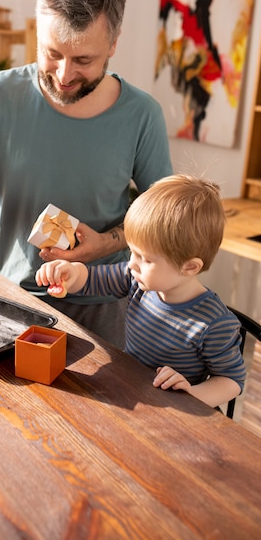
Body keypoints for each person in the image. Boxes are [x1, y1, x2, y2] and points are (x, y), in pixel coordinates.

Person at [0, 0, 173, 348]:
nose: (63, 75)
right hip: (10, 297)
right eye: (52, 53)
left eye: (83, 60)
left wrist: (106, 243)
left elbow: (162, 215)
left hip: (104, 303)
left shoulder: (142, 114)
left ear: (113, 43)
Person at [36, 175, 246, 408]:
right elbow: (92, 280)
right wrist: (71, 273)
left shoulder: (214, 323)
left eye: (145, 259)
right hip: (132, 391)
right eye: (132, 252)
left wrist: (190, 394)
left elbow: (231, 380)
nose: (132, 264)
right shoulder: (136, 279)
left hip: (176, 414)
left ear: (189, 266)